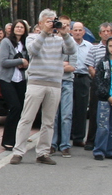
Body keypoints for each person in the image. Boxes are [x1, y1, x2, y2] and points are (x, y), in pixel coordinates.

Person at [9, 10, 74, 165]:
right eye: (48, 21)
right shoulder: (32, 37)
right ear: (40, 23)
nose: (52, 24)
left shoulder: (60, 39)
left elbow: (71, 51)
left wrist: (65, 33)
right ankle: (18, 152)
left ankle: (43, 153)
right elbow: (32, 51)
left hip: (54, 84)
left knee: (49, 121)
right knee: (27, 118)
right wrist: (44, 32)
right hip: (36, 83)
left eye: (53, 21)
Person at [0, 19, 29, 150]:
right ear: (13, 28)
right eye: (17, 27)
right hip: (7, 80)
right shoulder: (6, 42)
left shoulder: (26, 44)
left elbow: (28, 62)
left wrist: (25, 63)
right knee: (14, 106)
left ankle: (18, 138)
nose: (19, 29)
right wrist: (20, 61)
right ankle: (7, 140)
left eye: (22, 27)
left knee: (21, 109)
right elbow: (3, 61)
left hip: (20, 79)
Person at [82, 22, 112, 151]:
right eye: (104, 31)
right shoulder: (94, 48)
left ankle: (111, 140)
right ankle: (91, 140)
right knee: (95, 111)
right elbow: (90, 66)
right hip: (97, 84)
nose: (106, 33)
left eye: (108, 31)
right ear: (100, 34)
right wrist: (99, 79)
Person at [66, 22, 95, 149]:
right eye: (75, 30)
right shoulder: (66, 44)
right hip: (68, 77)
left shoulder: (89, 46)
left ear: (84, 32)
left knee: (81, 109)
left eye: (80, 30)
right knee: (66, 109)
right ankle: (66, 137)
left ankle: (78, 138)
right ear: (71, 31)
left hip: (83, 78)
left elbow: (92, 64)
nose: (78, 32)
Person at [52, 15, 78, 156]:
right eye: (62, 25)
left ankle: (65, 144)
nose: (64, 27)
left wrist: (58, 65)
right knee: (53, 115)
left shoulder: (72, 42)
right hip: (54, 82)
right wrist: (62, 65)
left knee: (66, 115)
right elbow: (49, 63)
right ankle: (52, 143)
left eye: (67, 25)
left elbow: (72, 66)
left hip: (67, 82)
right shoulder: (53, 40)